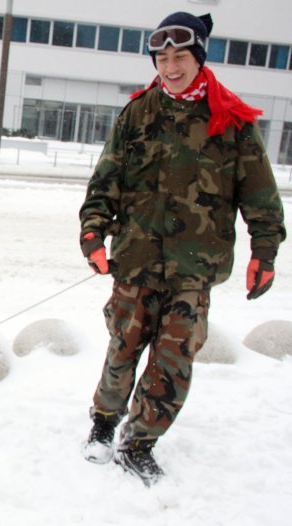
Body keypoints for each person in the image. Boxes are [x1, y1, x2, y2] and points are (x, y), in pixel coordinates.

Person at [78, 12, 285, 486]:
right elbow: (105, 183)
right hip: (135, 260)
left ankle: (140, 442)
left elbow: (260, 196)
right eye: (163, 57)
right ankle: (104, 423)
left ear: (199, 58)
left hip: (195, 269)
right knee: (122, 349)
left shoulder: (231, 121)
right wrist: (93, 234)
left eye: (181, 57)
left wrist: (264, 252)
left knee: (174, 362)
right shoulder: (137, 113)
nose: (170, 67)